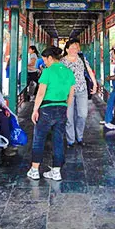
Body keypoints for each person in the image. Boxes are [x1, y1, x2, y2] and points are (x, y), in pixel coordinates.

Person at [27, 46, 76, 181]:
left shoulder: (47, 72)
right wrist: (65, 108)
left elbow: (41, 93)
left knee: (39, 138)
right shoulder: (69, 72)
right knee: (58, 140)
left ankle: (35, 170)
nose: (44, 62)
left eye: (44, 59)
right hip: (62, 107)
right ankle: (56, 171)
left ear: (50, 58)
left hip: (47, 108)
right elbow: (71, 95)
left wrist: (35, 109)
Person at [62, 39, 97, 147]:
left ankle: (80, 137)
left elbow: (89, 70)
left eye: (76, 48)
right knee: (69, 116)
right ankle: (71, 140)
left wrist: (94, 83)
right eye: (71, 47)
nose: (74, 50)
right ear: (67, 49)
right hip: (68, 92)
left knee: (82, 114)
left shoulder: (81, 58)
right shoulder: (62, 61)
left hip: (82, 90)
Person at [104, 48, 115, 130]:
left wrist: (110, 78)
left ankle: (109, 120)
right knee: (111, 103)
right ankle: (108, 120)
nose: (111, 56)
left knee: (112, 103)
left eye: (112, 54)